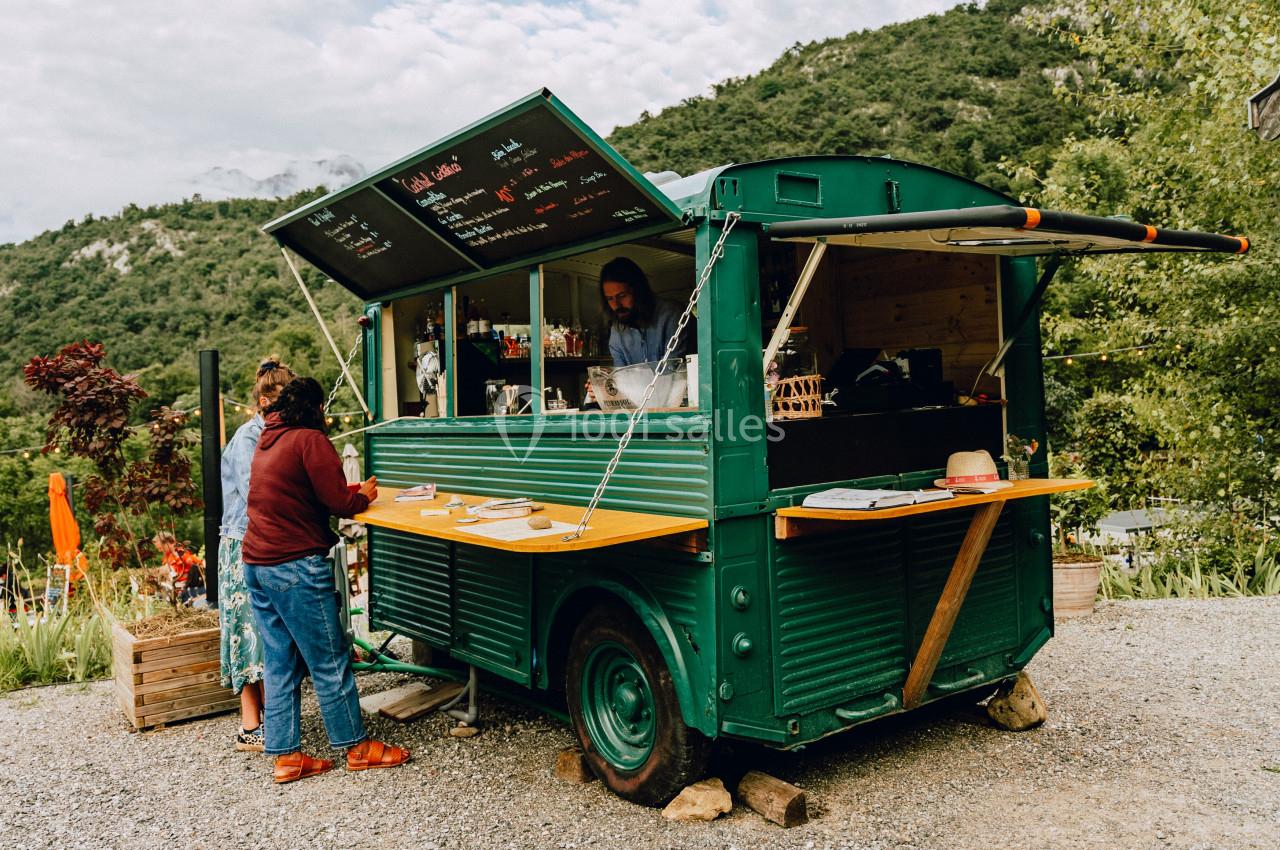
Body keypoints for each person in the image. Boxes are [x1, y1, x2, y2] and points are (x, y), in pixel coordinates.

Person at [241, 377, 409, 783]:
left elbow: (301, 490)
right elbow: (336, 502)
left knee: (280, 661)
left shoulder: (270, 438)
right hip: (294, 564)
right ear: (316, 409)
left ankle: (287, 757)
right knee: (329, 659)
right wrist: (362, 496)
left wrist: (347, 491)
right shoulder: (309, 439)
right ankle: (356, 747)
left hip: (258, 563)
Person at [217, 356, 295, 753]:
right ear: (266, 402)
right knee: (248, 633)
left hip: (264, 538)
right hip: (243, 543)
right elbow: (257, 494)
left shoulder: (275, 433)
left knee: (266, 633)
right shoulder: (250, 437)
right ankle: (251, 725)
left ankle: (272, 718)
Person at [599, 257, 688, 367]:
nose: (616, 305)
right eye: (609, 299)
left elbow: (672, 370)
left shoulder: (671, 315)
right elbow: (620, 376)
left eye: (622, 296)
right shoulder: (617, 331)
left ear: (638, 290)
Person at [152, 531, 203, 602]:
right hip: (176, 588)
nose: (160, 551)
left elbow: (196, 566)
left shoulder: (181, 554)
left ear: (167, 543)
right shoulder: (169, 556)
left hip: (184, 589)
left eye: (160, 548)